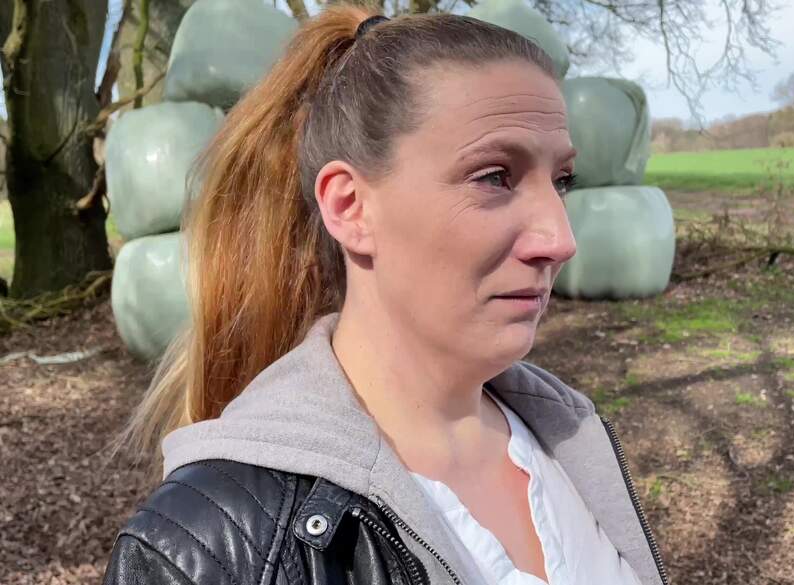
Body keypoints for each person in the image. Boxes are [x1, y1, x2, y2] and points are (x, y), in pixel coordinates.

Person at [103, 6, 668, 585]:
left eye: (562, 181)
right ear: (351, 208)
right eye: (495, 176)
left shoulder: (571, 442)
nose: (560, 240)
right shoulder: (205, 551)